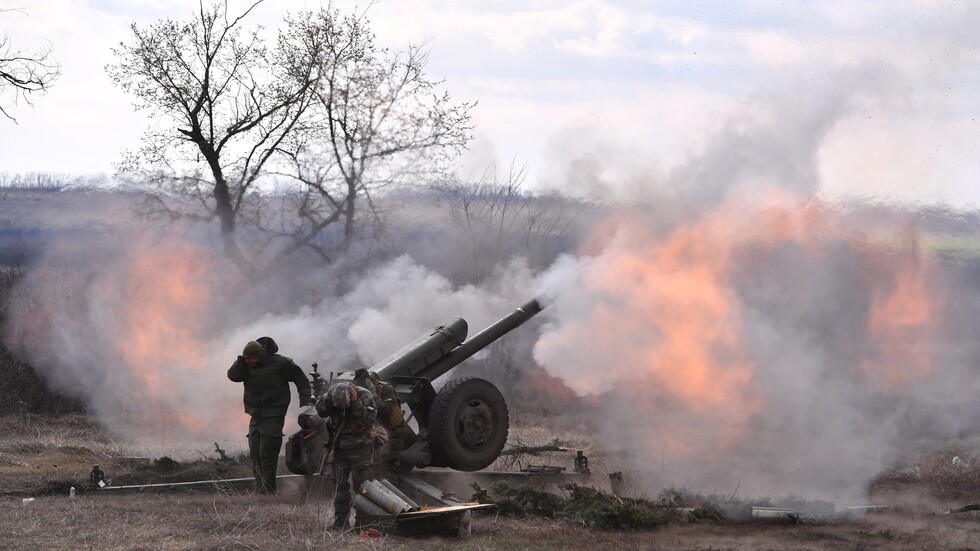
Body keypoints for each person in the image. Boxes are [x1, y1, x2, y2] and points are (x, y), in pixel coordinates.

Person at [227, 337, 312, 494]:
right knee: (255, 452)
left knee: (267, 452)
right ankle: (260, 489)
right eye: (246, 358)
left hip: (274, 413)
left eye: (251, 358)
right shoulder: (245, 365)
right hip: (255, 414)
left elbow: (301, 379)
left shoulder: (281, 363)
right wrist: (241, 360)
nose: (249, 361)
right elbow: (233, 376)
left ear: (260, 355)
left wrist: (305, 399)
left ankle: (267, 491)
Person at [316, 381, 377, 530]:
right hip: (340, 447)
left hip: (361, 447)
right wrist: (327, 402)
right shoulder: (331, 395)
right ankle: (340, 522)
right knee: (339, 486)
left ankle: (364, 522)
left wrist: (355, 403)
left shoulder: (365, 395)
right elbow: (321, 411)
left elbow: (369, 421)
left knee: (363, 486)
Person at [353, 367, 406, 484]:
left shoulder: (385, 389)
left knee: (386, 469)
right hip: (377, 432)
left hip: (393, 433)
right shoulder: (361, 393)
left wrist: (373, 394)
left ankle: (391, 498)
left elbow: (385, 412)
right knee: (369, 468)